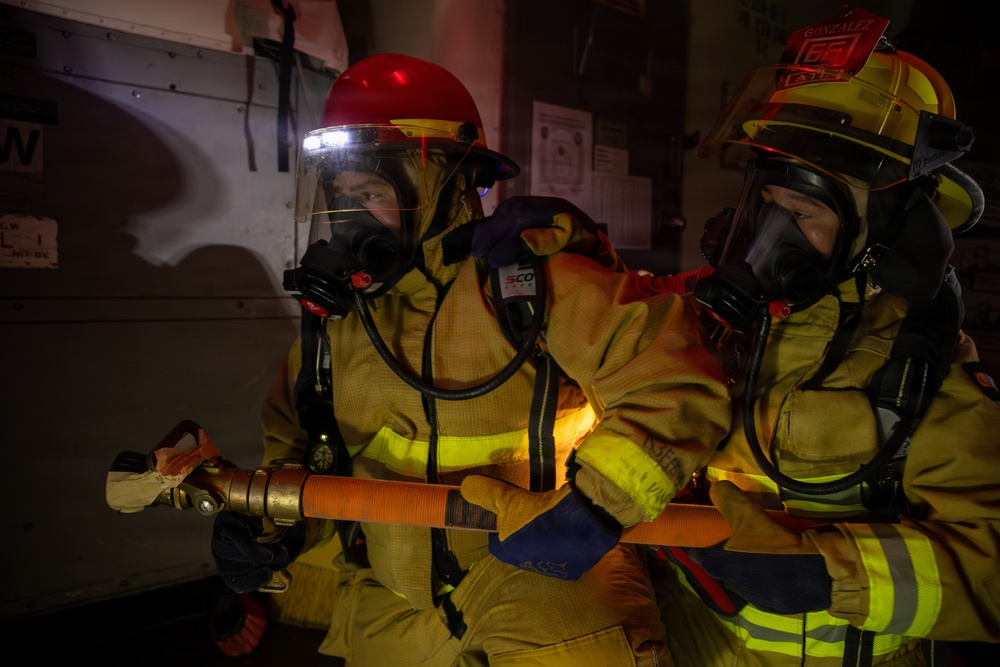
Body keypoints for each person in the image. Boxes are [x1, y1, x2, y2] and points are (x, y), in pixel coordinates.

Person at [474, 7, 1000, 666]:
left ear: (886, 232)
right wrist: (569, 251)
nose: (767, 237)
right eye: (767, 203)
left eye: (802, 212)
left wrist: (834, 572)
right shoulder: (718, 312)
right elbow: (633, 321)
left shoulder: (924, 376)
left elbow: (991, 565)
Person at [209, 52, 732, 666]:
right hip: (395, 598)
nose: (349, 218)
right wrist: (269, 529)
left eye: (371, 192)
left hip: (537, 571)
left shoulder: (535, 284)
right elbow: (305, 456)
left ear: (448, 183)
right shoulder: (337, 324)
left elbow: (678, 386)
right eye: (340, 194)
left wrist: (592, 512)